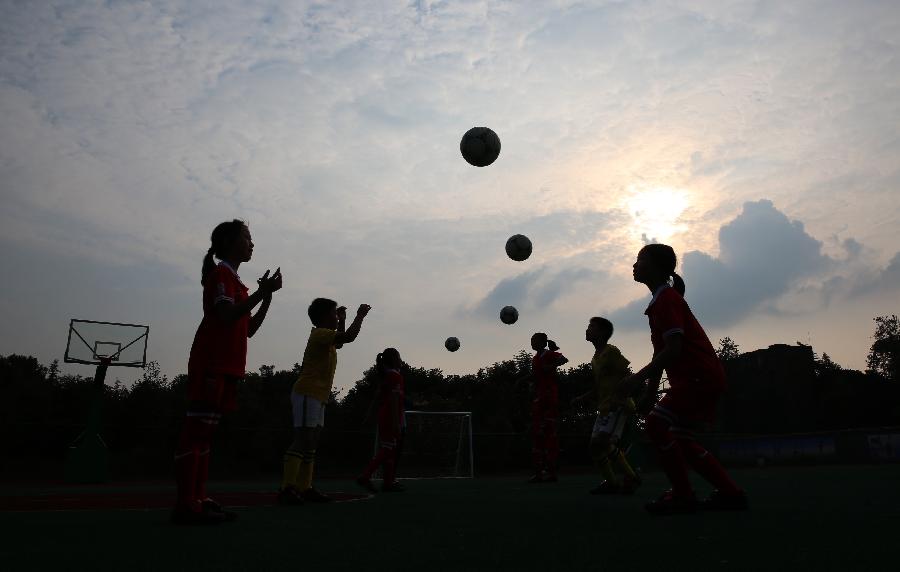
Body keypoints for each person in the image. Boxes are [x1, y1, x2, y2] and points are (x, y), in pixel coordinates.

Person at [620, 243, 747, 515]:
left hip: (697, 378)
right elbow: (661, 353)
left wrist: (636, 379)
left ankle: (683, 494)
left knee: (656, 425)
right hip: (698, 378)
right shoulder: (660, 302)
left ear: (656, 267)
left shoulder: (667, 300)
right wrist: (649, 392)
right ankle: (730, 493)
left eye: (640, 259)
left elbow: (673, 350)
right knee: (681, 438)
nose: (634, 264)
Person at [173, 220, 282, 524]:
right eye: (247, 238)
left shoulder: (238, 283)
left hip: (228, 367)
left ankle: (197, 498)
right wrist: (261, 292)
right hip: (211, 363)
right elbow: (224, 315)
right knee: (195, 436)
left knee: (205, 437)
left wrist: (267, 296)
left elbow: (249, 330)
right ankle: (185, 505)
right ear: (231, 242)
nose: (252, 244)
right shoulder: (221, 274)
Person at [278, 298, 371, 504]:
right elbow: (348, 338)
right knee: (303, 439)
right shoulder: (319, 333)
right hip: (307, 392)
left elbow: (340, 342)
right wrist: (360, 316)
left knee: (311, 442)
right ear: (322, 317)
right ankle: (287, 488)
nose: (336, 316)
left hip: (318, 394)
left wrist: (344, 320)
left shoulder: (326, 337)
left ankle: (304, 487)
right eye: (334, 313)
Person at [572, 317, 641, 494]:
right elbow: (599, 386)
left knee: (600, 442)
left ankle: (631, 478)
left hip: (617, 405)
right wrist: (583, 397)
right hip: (604, 407)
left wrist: (619, 399)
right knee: (595, 448)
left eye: (591, 327)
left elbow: (627, 375)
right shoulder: (595, 358)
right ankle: (614, 482)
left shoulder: (611, 352)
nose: (587, 330)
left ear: (602, 332)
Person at [519, 333, 568, 482]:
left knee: (549, 434)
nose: (532, 343)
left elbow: (563, 359)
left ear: (542, 342)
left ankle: (552, 473)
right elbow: (536, 375)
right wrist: (523, 380)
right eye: (531, 340)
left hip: (549, 398)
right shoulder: (535, 358)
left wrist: (551, 365)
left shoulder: (549, 354)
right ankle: (539, 473)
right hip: (539, 399)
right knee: (537, 435)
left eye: (534, 340)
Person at [357, 348, 407, 493]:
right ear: (394, 360)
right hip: (390, 417)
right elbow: (392, 400)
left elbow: (378, 397)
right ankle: (366, 475)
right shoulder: (395, 377)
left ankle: (387, 482)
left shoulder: (389, 376)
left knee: (390, 450)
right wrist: (396, 422)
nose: (401, 359)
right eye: (399, 356)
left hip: (387, 416)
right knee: (387, 449)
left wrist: (369, 415)